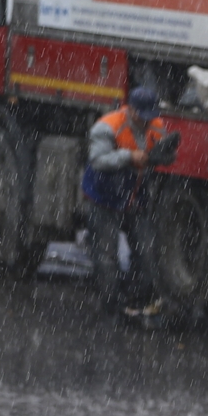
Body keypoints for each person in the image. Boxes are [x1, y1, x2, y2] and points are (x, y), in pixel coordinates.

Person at [80, 86, 168, 316]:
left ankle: (135, 300)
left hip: (134, 198)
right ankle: (111, 306)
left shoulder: (156, 127)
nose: (146, 122)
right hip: (105, 198)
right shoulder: (107, 126)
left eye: (150, 116)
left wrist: (163, 155)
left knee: (147, 253)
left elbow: (161, 153)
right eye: (142, 116)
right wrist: (129, 157)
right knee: (106, 257)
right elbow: (98, 160)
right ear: (131, 110)